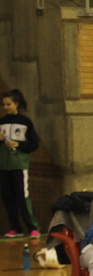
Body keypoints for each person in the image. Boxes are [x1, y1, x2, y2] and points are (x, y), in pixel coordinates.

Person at [0, 89, 40, 239]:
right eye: (4, 104)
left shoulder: (25, 122)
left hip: (19, 165)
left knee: (22, 196)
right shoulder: (1, 122)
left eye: (8, 104)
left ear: (16, 104)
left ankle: (33, 227)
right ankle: (15, 228)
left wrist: (18, 144)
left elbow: (34, 144)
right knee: (7, 196)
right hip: (4, 165)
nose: (6, 107)